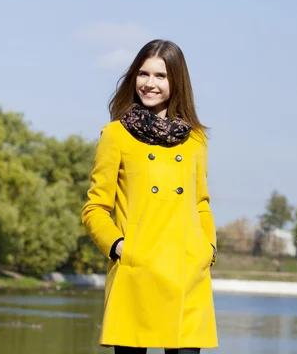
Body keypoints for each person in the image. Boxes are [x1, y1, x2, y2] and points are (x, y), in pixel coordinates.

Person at [82, 39, 218, 354]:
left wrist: (206, 250)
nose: (150, 84)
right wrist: (119, 248)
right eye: (144, 74)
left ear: (176, 81)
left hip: (186, 275)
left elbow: (201, 203)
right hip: (136, 274)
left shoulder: (195, 139)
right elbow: (95, 208)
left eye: (161, 76)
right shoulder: (115, 135)